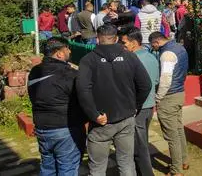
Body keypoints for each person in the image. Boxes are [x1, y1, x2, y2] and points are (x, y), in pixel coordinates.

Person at [76, 24, 152, 176]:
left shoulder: (88, 60)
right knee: (126, 163)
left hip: (101, 121)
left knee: (97, 168)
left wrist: (94, 114)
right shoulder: (130, 56)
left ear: (97, 39)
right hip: (125, 118)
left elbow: (82, 91)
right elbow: (146, 85)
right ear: (116, 38)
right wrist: (135, 106)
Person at [29, 37, 86, 175]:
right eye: (67, 48)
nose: (70, 51)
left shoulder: (34, 72)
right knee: (68, 168)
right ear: (59, 53)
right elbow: (83, 100)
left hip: (42, 129)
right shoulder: (70, 74)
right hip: (65, 129)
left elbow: (33, 96)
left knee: (48, 167)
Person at [150, 31, 190, 174]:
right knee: (178, 130)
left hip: (169, 96)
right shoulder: (180, 47)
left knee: (171, 135)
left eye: (153, 46)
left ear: (156, 42)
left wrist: (158, 97)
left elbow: (166, 79)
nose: (153, 48)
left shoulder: (166, 54)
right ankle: (184, 161)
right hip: (179, 92)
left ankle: (176, 169)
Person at [121, 28, 159, 176]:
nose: (123, 45)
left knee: (139, 147)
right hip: (149, 106)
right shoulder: (152, 57)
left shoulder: (132, 60)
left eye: (125, 43)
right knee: (141, 142)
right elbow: (155, 80)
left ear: (134, 43)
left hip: (138, 107)